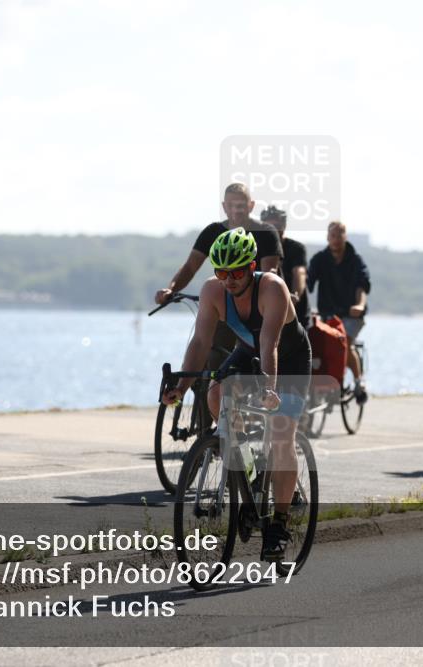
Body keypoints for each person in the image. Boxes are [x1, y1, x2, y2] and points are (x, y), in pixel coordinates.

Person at [161, 228, 311, 561]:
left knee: (281, 436)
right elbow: (201, 342)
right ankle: (250, 471)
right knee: (215, 395)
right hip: (247, 351)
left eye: (237, 273)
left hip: (288, 359)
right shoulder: (213, 291)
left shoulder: (272, 287)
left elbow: (270, 344)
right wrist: (181, 388)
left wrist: (269, 388)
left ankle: (279, 525)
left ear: (252, 266)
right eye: (222, 272)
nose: (229, 280)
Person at [155, 182, 283, 369]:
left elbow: (269, 272)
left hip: (257, 305)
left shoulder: (266, 233)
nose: (236, 210)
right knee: (213, 354)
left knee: (262, 353)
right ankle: (207, 385)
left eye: (241, 205)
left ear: (251, 206)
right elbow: (190, 267)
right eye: (231, 205)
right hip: (227, 301)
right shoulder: (213, 232)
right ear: (224, 207)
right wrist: (171, 289)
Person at [306, 221, 370, 404]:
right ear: (328, 237)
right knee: (315, 343)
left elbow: (362, 286)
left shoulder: (355, 260)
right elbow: (307, 282)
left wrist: (360, 305)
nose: (336, 239)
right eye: (332, 235)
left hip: (351, 315)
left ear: (345, 237)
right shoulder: (320, 259)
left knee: (344, 342)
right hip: (327, 314)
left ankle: (358, 383)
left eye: (339, 235)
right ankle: (321, 385)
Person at [260, 205, 309, 327]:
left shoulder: (296, 248)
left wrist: (295, 295)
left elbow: (300, 273)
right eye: (268, 226)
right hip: (266, 312)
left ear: (284, 225)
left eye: (276, 226)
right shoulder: (256, 249)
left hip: (296, 313)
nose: (273, 230)